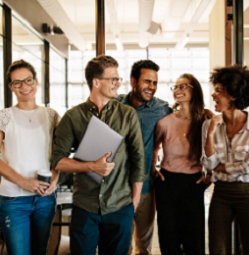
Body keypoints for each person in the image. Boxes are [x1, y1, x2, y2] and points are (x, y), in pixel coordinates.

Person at [50, 55, 147, 255]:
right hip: (85, 206)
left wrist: (134, 202)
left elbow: (139, 160)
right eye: (113, 79)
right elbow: (57, 160)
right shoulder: (73, 116)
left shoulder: (128, 114)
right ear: (96, 82)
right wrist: (91, 166)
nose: (118, 84)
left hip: (120, 206)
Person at [0, 60, 60, 255]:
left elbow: (60, 154)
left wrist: (55, 178)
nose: (24, 86)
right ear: (10, 87)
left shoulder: (51, 115)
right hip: (13, 200)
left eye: (28, 80)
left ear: (36, 81)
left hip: (45, 199)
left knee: (40, 251)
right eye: (17, 82)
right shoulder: (4, 116)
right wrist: (23, 182)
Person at [152, 73, 211, 255]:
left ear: (195, 90)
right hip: (167, 182)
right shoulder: (165, 122)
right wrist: (154, 168)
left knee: (194, 239)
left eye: (183, 86)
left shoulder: (206, 120)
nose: (178, 90)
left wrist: (210, 175)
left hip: (193, 183)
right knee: (169, 238)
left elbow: (216, 151)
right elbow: (154, 147)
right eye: (175, 87)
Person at [117, 60, 171, 255]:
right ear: (133, 81)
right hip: (117, 189)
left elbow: (184, 121)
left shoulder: (162, 109)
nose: (152, 87)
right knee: (121, 246)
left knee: (144, 247)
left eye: (155, 83)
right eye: (147, 81)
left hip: (147, 188)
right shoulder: (114, 105)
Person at [201, 65, 249, 255]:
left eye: (218, 91)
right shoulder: (209, 125)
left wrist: (220, 167)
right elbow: (208, 164)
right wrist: (210, 134)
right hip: (221, 193)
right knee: (217, 248)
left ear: (233, 94)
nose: (213, 95)